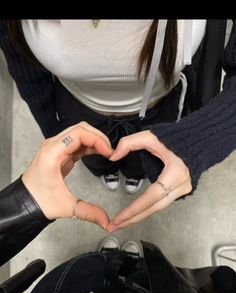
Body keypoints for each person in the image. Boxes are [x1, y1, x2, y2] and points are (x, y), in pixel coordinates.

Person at [0, 122, 235, 293]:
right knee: (140, 271)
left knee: (97, 265)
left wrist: (22, 205)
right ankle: (128, 260)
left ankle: (113, 258)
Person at [0, 19, 233, 201]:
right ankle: (106, 170)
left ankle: (134, 174)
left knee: (140, 164)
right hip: (79, 110)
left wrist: (203, 136)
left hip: (161, 109)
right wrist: (53, 131)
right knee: (98, 161)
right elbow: (27, 73)